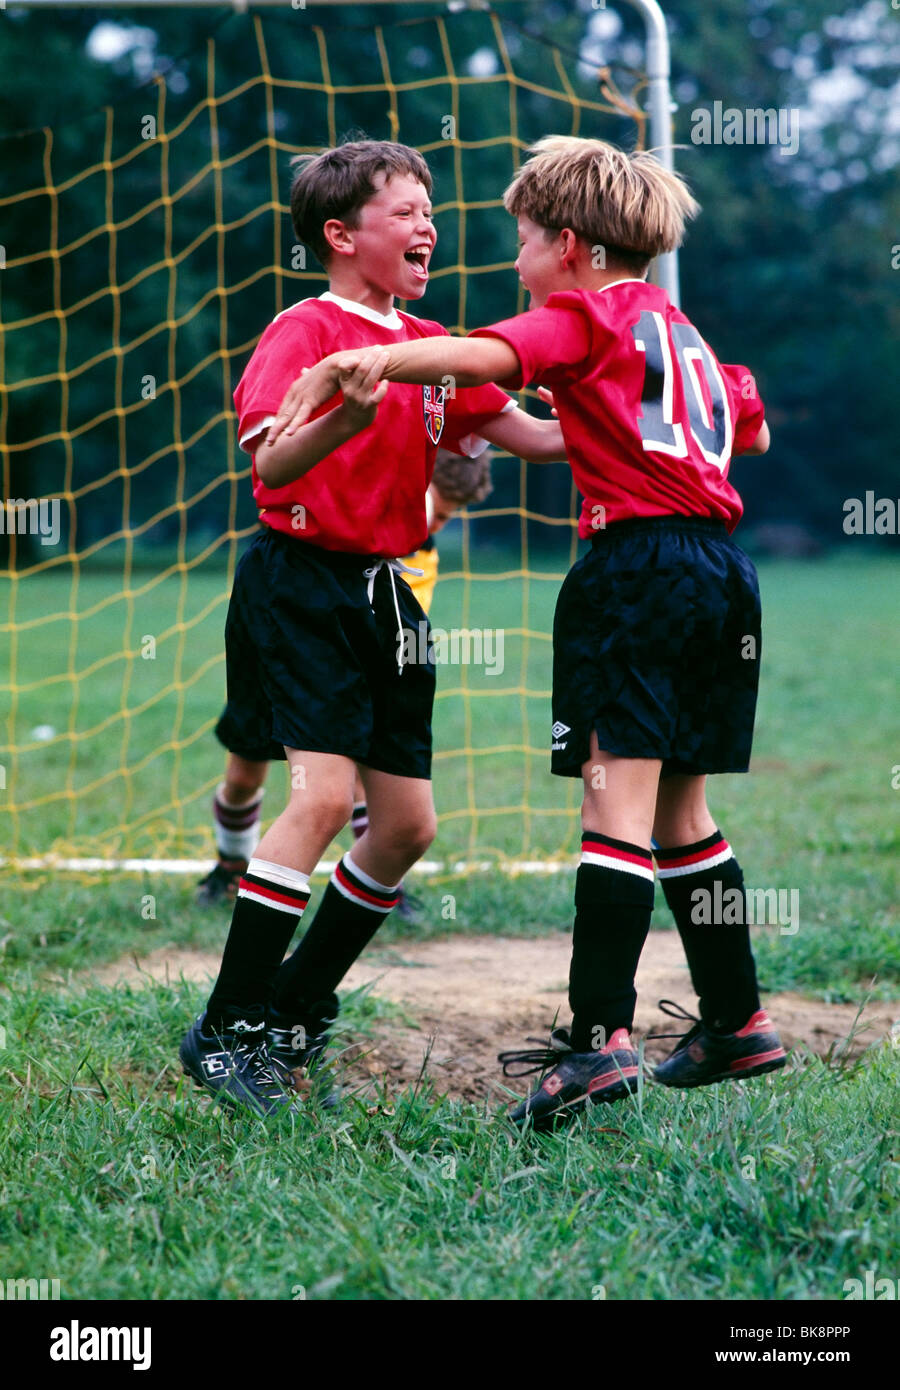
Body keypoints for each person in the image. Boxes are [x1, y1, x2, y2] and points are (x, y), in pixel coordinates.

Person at [267, 135, 786, 1130]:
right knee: (685, 813)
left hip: (635, 573)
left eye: (522, 241)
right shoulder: (683, 334)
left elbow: (483, 354)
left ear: (572, 245)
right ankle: (737, 1018)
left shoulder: (580, 314)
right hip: (724, 574)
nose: (515, 262)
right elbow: (749, 429)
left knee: (615, 807)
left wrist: (365, 355)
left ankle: (599, 1045)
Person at [179, 139, 563, 1115]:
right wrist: (345, 423)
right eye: (405, 210)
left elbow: (535, 435)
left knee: (404, 826)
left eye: (430, 209)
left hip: (388, 592)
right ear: (343, 235)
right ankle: (225, 1029)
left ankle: (296, 1012)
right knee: (316, 798)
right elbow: (271, 468)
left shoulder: (431, 348)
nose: (427, 223)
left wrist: (630, 392)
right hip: (301, 580)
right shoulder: (304, 331)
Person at [196, 448, 494, 923]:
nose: (436, 523)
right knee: (243, 775)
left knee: (352, 776)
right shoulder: (335, 527)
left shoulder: (417, 554)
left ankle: (378, 889)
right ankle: (231, 865)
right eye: (435, 509)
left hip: (346, 669)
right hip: (277, 648)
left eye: (447, 517)